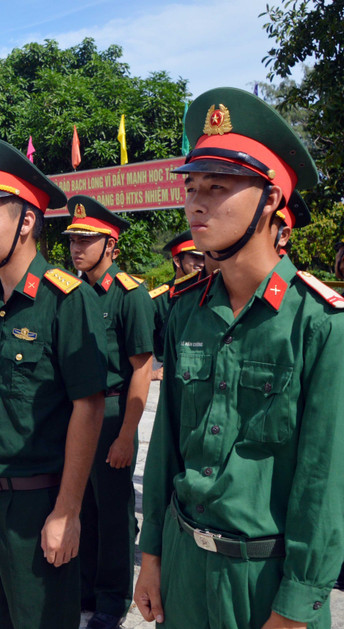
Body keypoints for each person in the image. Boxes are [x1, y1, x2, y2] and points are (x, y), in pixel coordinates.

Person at [134, 87, 344, 629]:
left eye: (219, 187)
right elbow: (166, 448)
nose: (196, 203)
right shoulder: (187, 311)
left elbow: (324, 482)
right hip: (185, 567)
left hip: (264, 586)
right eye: (192, 186)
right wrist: (151, 556)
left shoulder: (318, 322)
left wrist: (297, 608)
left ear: (271, 198)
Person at [0, 138, 107, 628]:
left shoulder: (66, 300)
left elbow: (88, 408)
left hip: (36, 504)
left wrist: (66, 513)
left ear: (26, 222)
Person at [64, 195, 155, 629]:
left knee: (115, 511)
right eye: (72, 240)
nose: (77, 248)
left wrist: (126, 435)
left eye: (87, 240)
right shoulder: (74, 293)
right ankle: (84, 585)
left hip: (116, 412)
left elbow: (141, 369)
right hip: (81, 411)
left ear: (111, 247)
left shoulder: (129, 295)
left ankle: (113, 596)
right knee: (82, 503)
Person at [149, 230, 205, 369]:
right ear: (177, 260)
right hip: (170, 372)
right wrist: (151, 373)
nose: (201, 263)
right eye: (195, 257)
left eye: (204, 258)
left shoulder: (210, 292)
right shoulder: (158, 299)